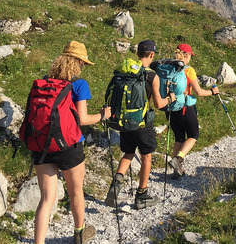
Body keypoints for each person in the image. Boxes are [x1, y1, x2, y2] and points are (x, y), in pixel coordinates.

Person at [33, 41, 110, 244]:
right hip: (69, 145)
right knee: (76, 192)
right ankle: (79, 234)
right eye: (83, 63)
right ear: (77, 62)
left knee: (47, 198)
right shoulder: (79, 84)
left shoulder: (44, 81)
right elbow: (83, 120)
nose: (83, 66)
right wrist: (103, 115)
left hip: (42, 145)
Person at [104, 39, 170, 209]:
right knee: (146, 156)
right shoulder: (151, 76)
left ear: (138, 53)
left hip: (124, 121)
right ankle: (142, 195)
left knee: (128, 153)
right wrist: (170, 98)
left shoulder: (126, 71)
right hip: (141, 123)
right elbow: (158, 104)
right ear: (152, 55)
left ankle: (117, 182)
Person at [166, 43, 220, 178]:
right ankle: (178, 159)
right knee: (193, 135)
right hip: (184, 107)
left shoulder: (167, 67)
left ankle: (176, 171)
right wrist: (212, 92)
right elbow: (199, 92)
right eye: (190, 55)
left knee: (179, 137)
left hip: (170, 108)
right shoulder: (188, 70)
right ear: (186, 55)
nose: (190, 58)